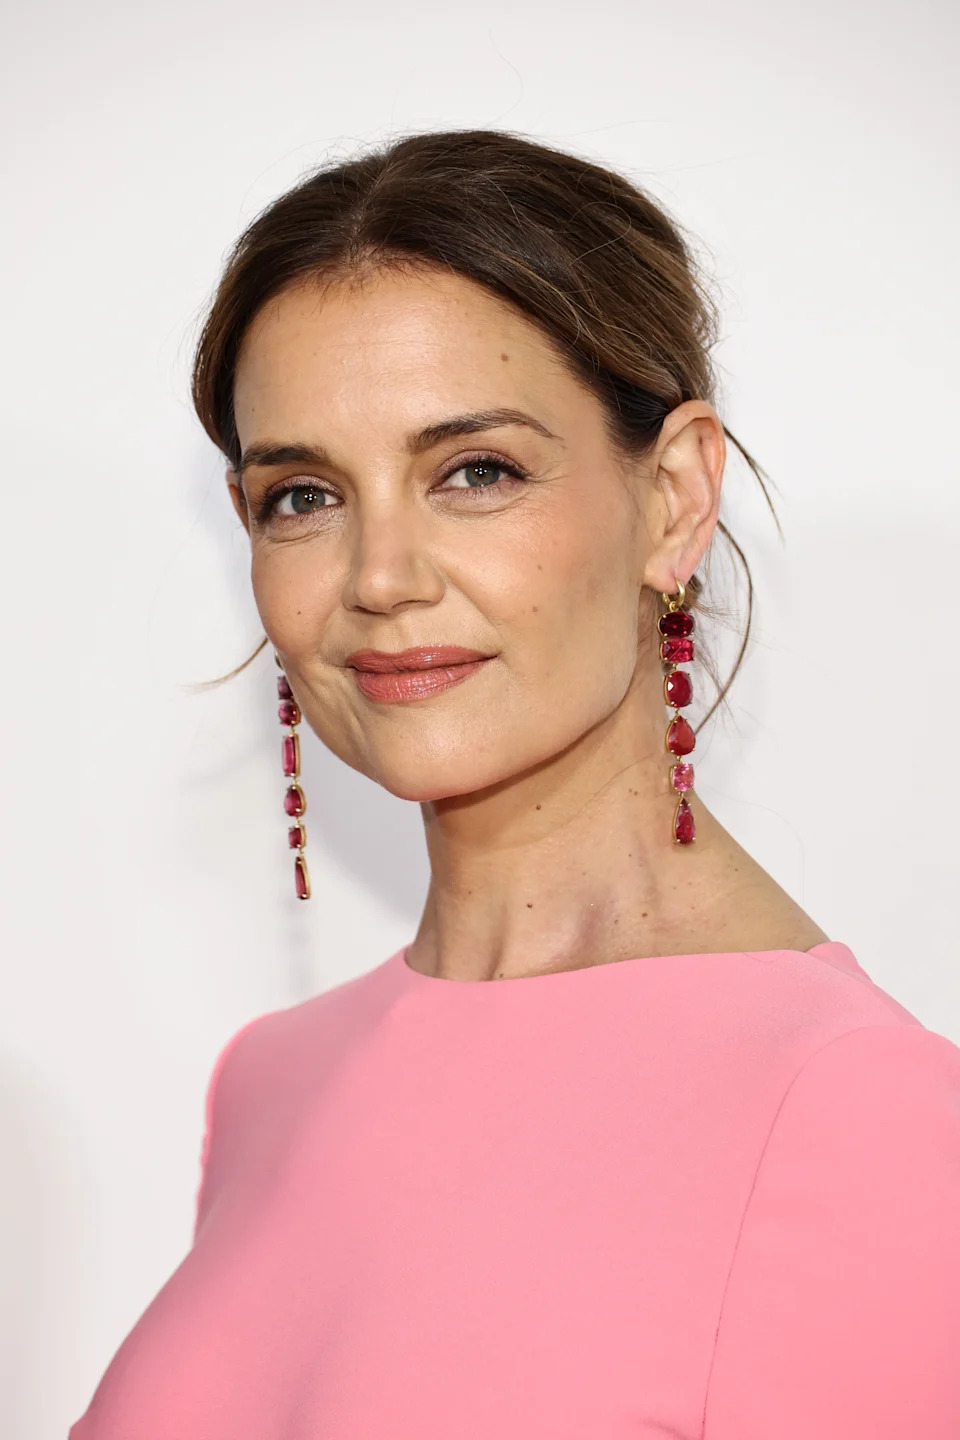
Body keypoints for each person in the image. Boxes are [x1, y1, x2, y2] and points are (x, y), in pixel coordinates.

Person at [69, 129, 960, 1439]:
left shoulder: (859, 1116)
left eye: (473, 472)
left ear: (672, 498)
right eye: (304, 495)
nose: (380, 576)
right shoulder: (270, 1079)